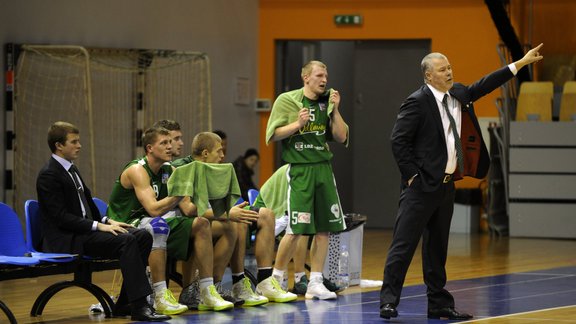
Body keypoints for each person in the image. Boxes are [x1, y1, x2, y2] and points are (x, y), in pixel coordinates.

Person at [379, 44, 544, 320]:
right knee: (403, 245)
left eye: (450, 67)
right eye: (442, 69)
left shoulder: (459, 94)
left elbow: (486, 84)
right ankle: (388, 301)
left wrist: (520, 63)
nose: (449, 72)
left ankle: (439, 304)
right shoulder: (417, 102)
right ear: (428, 76)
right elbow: (398, 141)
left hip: (445, 186)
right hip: (420, 188)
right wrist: (412, 176)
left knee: (437, 250)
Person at [36, 121, 170, 322]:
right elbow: (60, 218)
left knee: (141, 235)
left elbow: (88, 208)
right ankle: (140, 305)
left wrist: (109, 221)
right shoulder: (49, 174)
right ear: (59, 145)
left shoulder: (71, 169)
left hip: (84, 233)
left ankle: (125, 302)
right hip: (67, 239)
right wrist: (99, 226)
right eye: (74, 142)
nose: (79, 145)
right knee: (127, 241)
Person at [107, 126, 234, 313]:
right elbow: (152, 209)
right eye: (164, 143)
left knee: (201, 224)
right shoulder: (137, 169)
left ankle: (207, 290)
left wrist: (223, 208)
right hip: (126, 223)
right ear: (150, 148)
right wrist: (179, 193)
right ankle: (160, 295)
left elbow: (189, 209)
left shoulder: (170, 169)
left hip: (152, 221)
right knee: (158, 226)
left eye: (170, 142)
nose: (170, 146)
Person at [173, 132, 297, 305]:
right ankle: (218, 286)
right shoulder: (182, 167)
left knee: (266, 214)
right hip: (190, 221)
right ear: (206, 153)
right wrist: (228, 213)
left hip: (212, 215)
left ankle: (264, 281)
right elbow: (188, 209)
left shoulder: (218, 168)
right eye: (219, 151)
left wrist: (231, 210)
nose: (223, 155)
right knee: (234, 222)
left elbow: (224, 203)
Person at [265, 60, 349, 300]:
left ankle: (315, 281)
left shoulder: (327, 102)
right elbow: (273, 134)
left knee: (325, 230)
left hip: (323, 168)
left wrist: (337, 109)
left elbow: (341, 136)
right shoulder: (288, 100)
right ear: (306, 77)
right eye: (320, 75)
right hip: (301, 170)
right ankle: (275, 278)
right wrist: (298, 124)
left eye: (326, 75)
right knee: (296, 229)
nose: (324, 80)